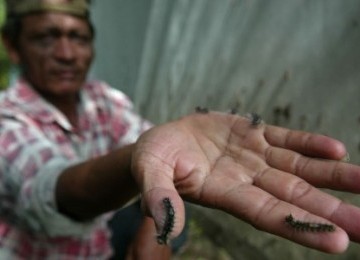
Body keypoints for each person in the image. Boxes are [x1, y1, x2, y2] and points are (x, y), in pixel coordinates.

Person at [1, 0, 360, 259]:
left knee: (172, 223)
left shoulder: (103, 99)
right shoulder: (7, 116)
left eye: (78, 38)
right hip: (42, 250)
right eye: (46, 38)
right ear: (12, 46)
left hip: (101, 241)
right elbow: (51, 189)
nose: (66, 53)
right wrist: (141, 158)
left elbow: (152, 151)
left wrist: (152, 235)